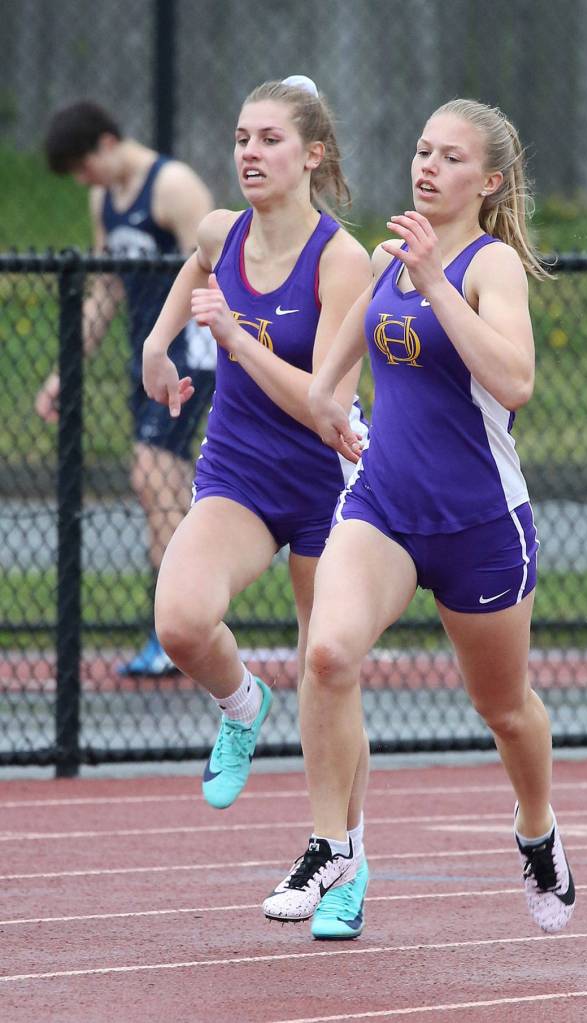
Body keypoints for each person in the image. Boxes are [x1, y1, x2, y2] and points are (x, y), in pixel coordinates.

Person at [263, 99, 576, 936]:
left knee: (503, 709)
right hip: (384, 508)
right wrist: (328, 404)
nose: (426, 166)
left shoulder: (487, 267)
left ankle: (536, 829)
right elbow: (332, 375)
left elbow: (514, 383)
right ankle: (332, 841)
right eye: (420, 149)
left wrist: (436, 276)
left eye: (448, 157)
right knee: (327, 652)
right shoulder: (383, 258)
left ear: (489, 181)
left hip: (478, 524)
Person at [142, 76, 373, 940]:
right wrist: (157, 343)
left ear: (311, 153)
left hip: (328, 484)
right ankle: (241, 705)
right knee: (181, 619)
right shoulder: (220, 231)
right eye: (241, 136)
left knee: (329, 669)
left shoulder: (340, 259)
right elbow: (196, 265)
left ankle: (346, 858)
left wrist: (234, 336)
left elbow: (326, 404)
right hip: (239, 471)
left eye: (269, 138)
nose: (248, 152)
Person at [37, 101, 216, 676]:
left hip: (192, 352)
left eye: (84, 166)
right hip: (147, 355)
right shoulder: (103, 201)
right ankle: (194, 621)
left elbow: (222, 271)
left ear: (108, 142)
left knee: (151, 472)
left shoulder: (175, 186)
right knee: (169, 491)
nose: (82, 180)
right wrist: (66, 370)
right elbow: (107, 290)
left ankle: (175, 632)